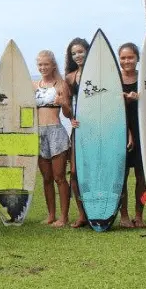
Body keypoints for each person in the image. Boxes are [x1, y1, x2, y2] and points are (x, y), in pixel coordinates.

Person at [34, 50, 74, 227]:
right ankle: (51, 214)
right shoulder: (35, 85)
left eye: (46, 64)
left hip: (56, 132)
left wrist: (63, 103)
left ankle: (64, 217)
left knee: (59, 177)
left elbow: (68, 114)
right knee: (46, 178)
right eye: (40, 65)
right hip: (39, 133)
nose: (43, 68)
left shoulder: (61, 85)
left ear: (53, 65)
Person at [117, 43, 146, 228]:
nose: (127, 61)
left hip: (142, 130)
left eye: (130, 57)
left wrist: (140, 97)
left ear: (137, 58)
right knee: (122, 175)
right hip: (120, 130)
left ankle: (139, 215)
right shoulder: (114, 80)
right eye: (123, 58)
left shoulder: (144, 78)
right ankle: (124, 216)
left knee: (142, 176)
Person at [64, 37, 90, 228]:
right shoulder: (70, 78)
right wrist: (69, 114)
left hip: (98, 130)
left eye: (81, 51)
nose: (78, 56)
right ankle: (82, 214)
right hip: (79, 130)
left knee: (95, 170)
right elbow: (68, 110)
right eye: (74, 53)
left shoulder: (99, 74)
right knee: (74, 172)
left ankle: (96, 211)